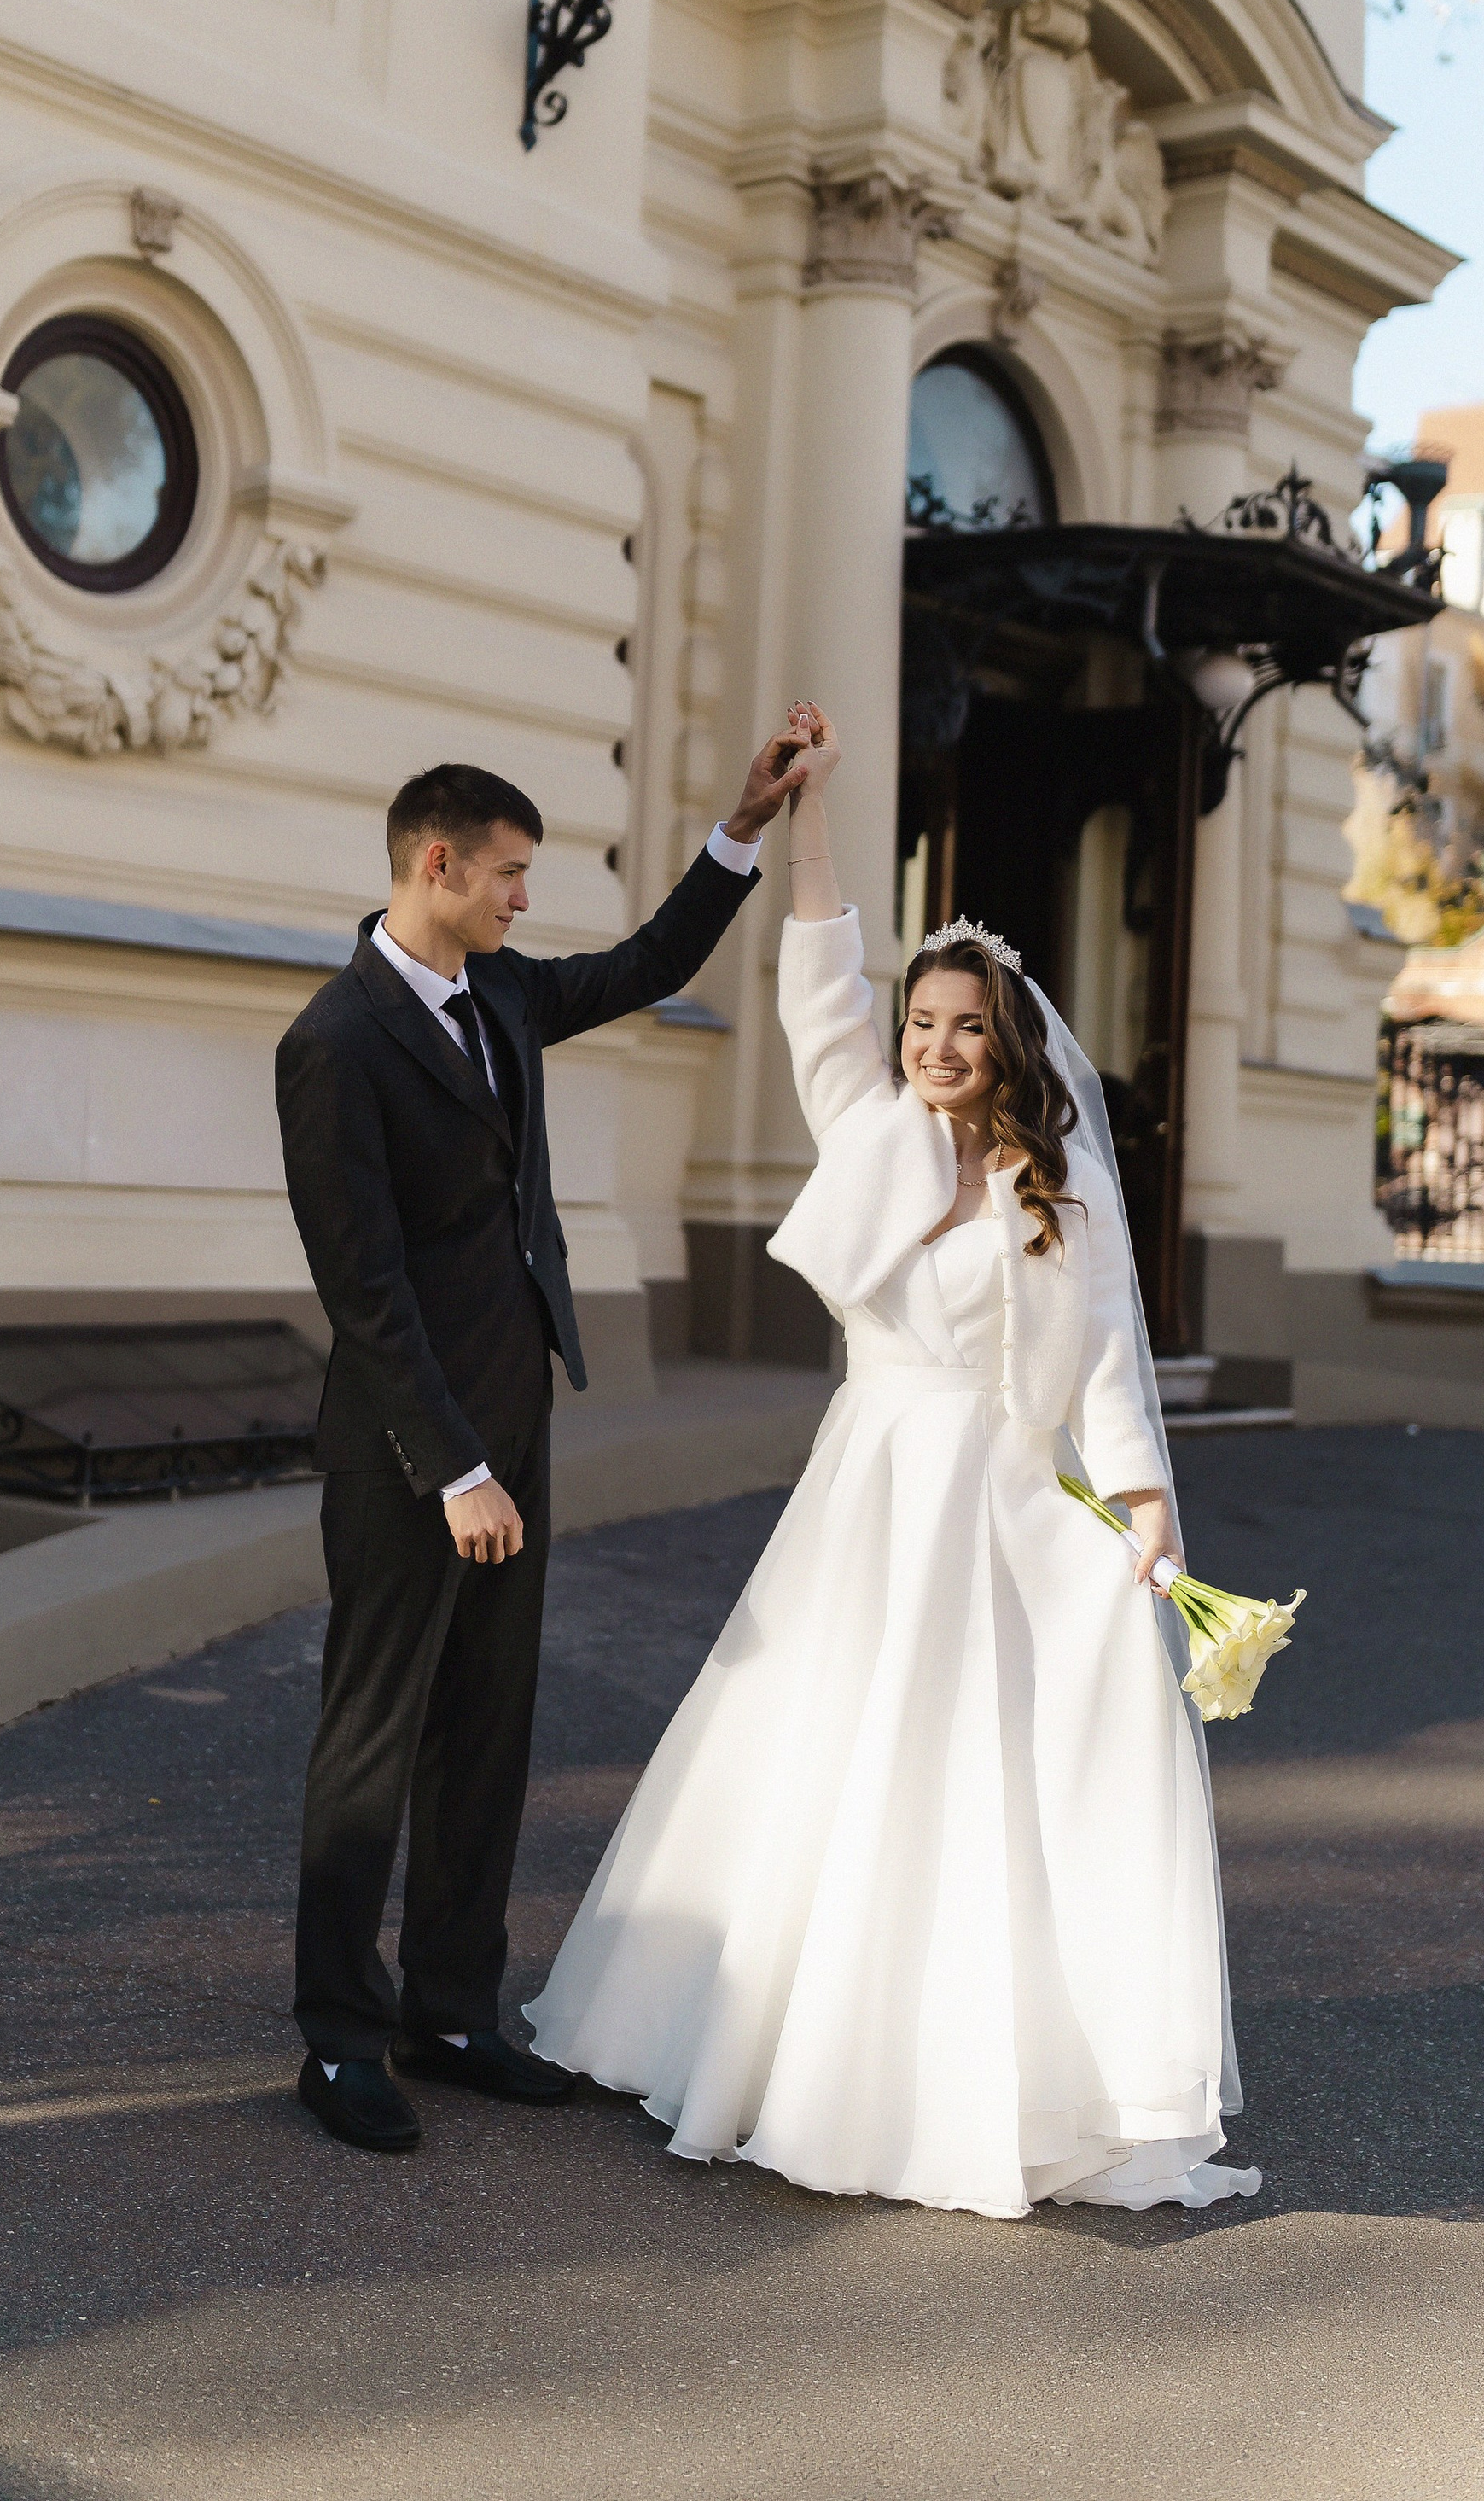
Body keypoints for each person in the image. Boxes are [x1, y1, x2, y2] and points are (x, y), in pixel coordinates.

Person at [525, 704, 1260, 2218]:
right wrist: (806, 811)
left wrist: (1148, 1522)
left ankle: (967, 2068)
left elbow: (1113, 1368)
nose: (933, 1046)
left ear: (1008, 1046)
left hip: (995, 1506)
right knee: (820, 1750)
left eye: (962, 1027)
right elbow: (815, 971)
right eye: (920, 1022)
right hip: (866, 1495)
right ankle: (776, 2047)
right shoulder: (866, 1127)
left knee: (981, 1777)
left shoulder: (1065, 1200)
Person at [279, 729, 812, 2153]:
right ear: (437, 864)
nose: (526, 900)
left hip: (514, 1416)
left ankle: (451, 2013)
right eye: (510, 875)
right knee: (374, 1739)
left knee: (490, 1730)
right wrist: (452, 1466)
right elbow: (366, 1287)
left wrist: (741, 831)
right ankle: (339, 2042)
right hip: (414, 1445)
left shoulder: (502, 993)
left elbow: (644, 967)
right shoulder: (332, 1044)